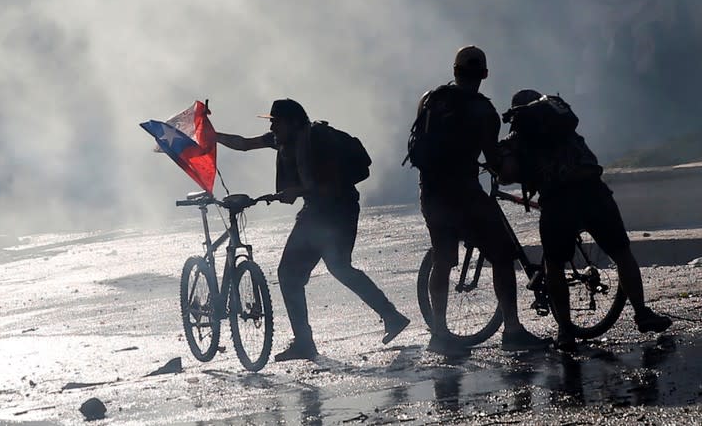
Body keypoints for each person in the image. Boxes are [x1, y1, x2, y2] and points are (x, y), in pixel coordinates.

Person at [216, 98, 410, 361]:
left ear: (293, 122)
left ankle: (385, 318)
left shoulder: (318, 140)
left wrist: (300, 191)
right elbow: (244, 144)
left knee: (326, 269)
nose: (273, 128)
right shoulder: (283, 140)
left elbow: (334, 182)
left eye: (276, 122)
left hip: (337, 210)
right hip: (316, 212)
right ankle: (385, 318)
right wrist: (212, 136)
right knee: (298, 273)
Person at [499, 89, 672, 352]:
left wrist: (502, 168)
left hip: (558, 200)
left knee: (554, 265)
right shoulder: (561, 121)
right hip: (593, 189)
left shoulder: (520, 133)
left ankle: (566, 332)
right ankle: (642, 313)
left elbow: (508, 173)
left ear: (518, 113)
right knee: (621, 252)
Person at [411, 46, 550, 353]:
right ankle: (512, 330)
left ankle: (440, 334)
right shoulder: (484, 111)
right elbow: (494, 160)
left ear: (455, 70)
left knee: (442, 260)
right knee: (501, 255)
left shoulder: (430, 99)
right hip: (464, 193)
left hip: (431, 192)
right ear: (484, 74)